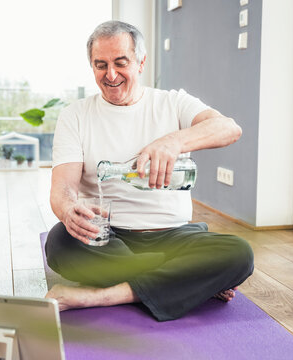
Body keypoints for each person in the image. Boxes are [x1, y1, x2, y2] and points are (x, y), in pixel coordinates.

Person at [44, 20, 254, 321]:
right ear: (91, 66)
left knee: (239, 254)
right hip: (108, 237)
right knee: (60, 243)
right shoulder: (75, 116)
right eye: (100, 65)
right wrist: (68, 210)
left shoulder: (173, 103)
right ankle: (185, 281)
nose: (110, 74)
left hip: (175, 237)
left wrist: (173, 142)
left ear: (141, 62)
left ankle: (102, 296)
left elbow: (229, 128)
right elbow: (62, 188)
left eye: (120, 62)